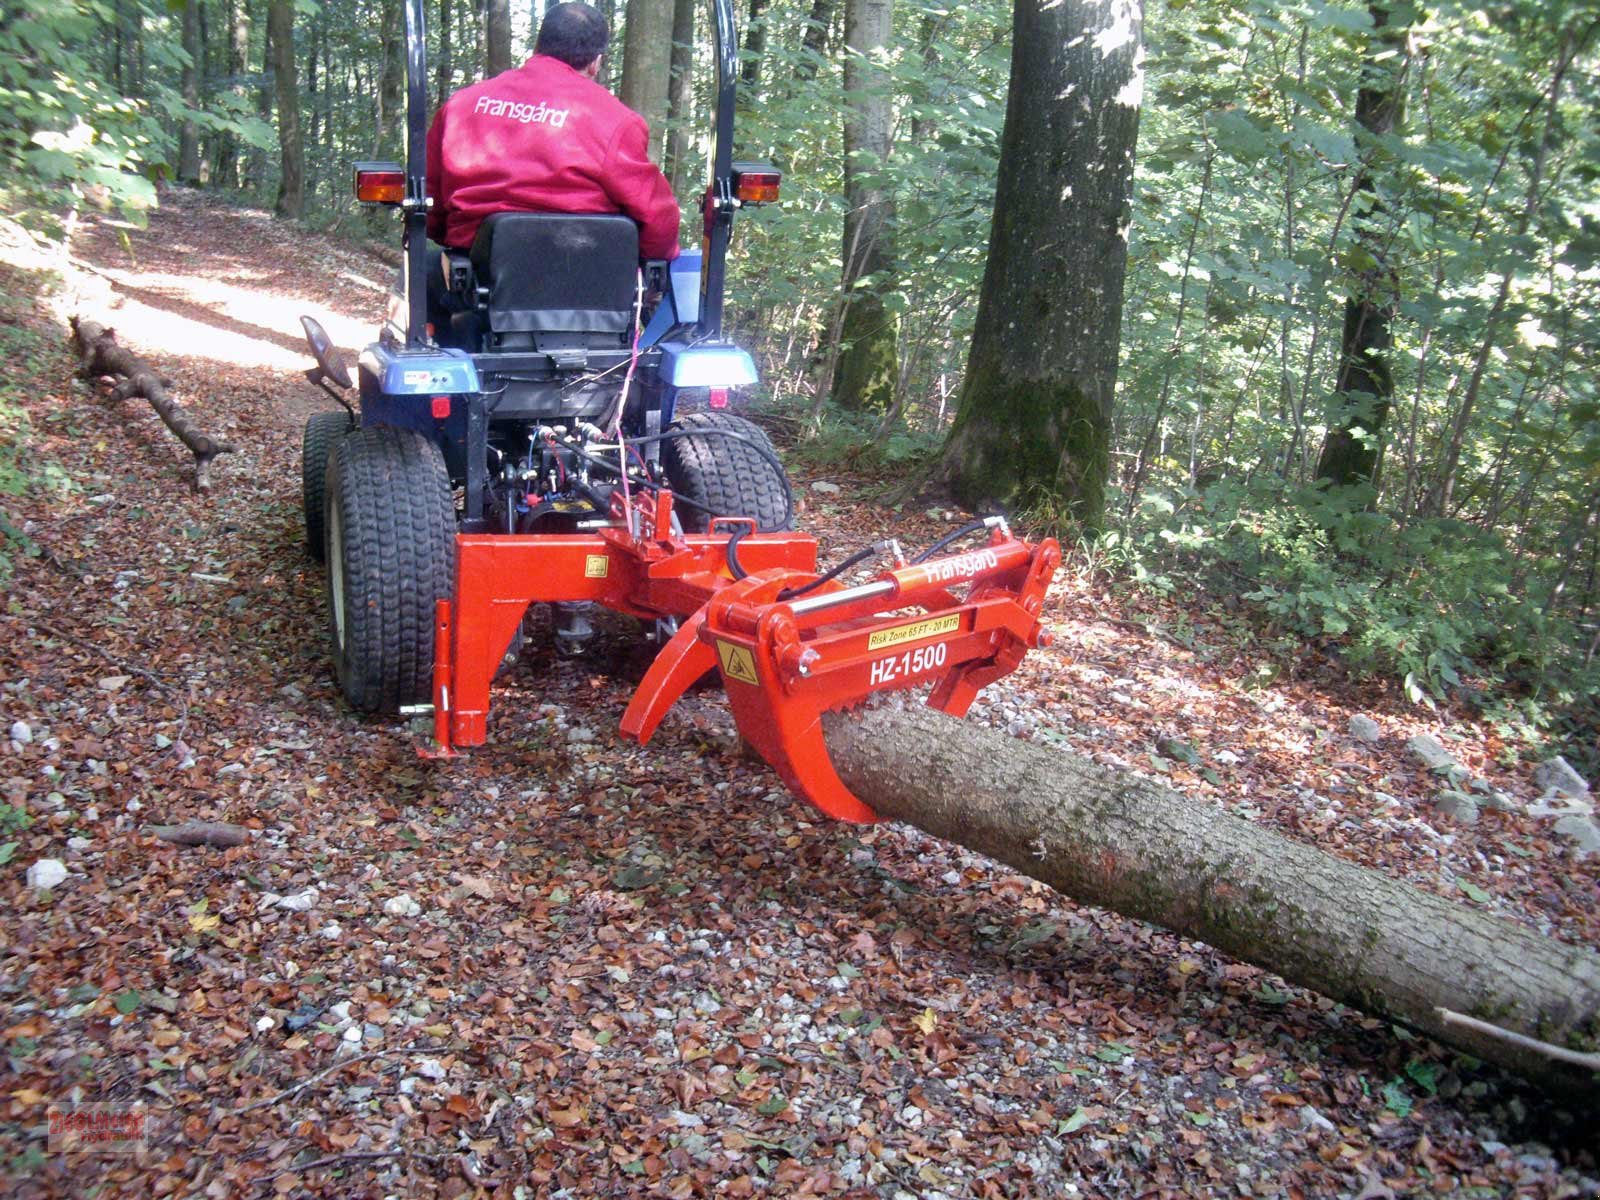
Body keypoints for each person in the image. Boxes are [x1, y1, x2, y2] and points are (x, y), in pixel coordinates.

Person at [424, 1, 681, 262]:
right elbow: (658, 220)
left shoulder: (461, 106)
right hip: (584, 283)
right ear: (596, 62)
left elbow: (428, 200)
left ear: (538, 47)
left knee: (420, 272)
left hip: (475, 282)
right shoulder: (617, 121)